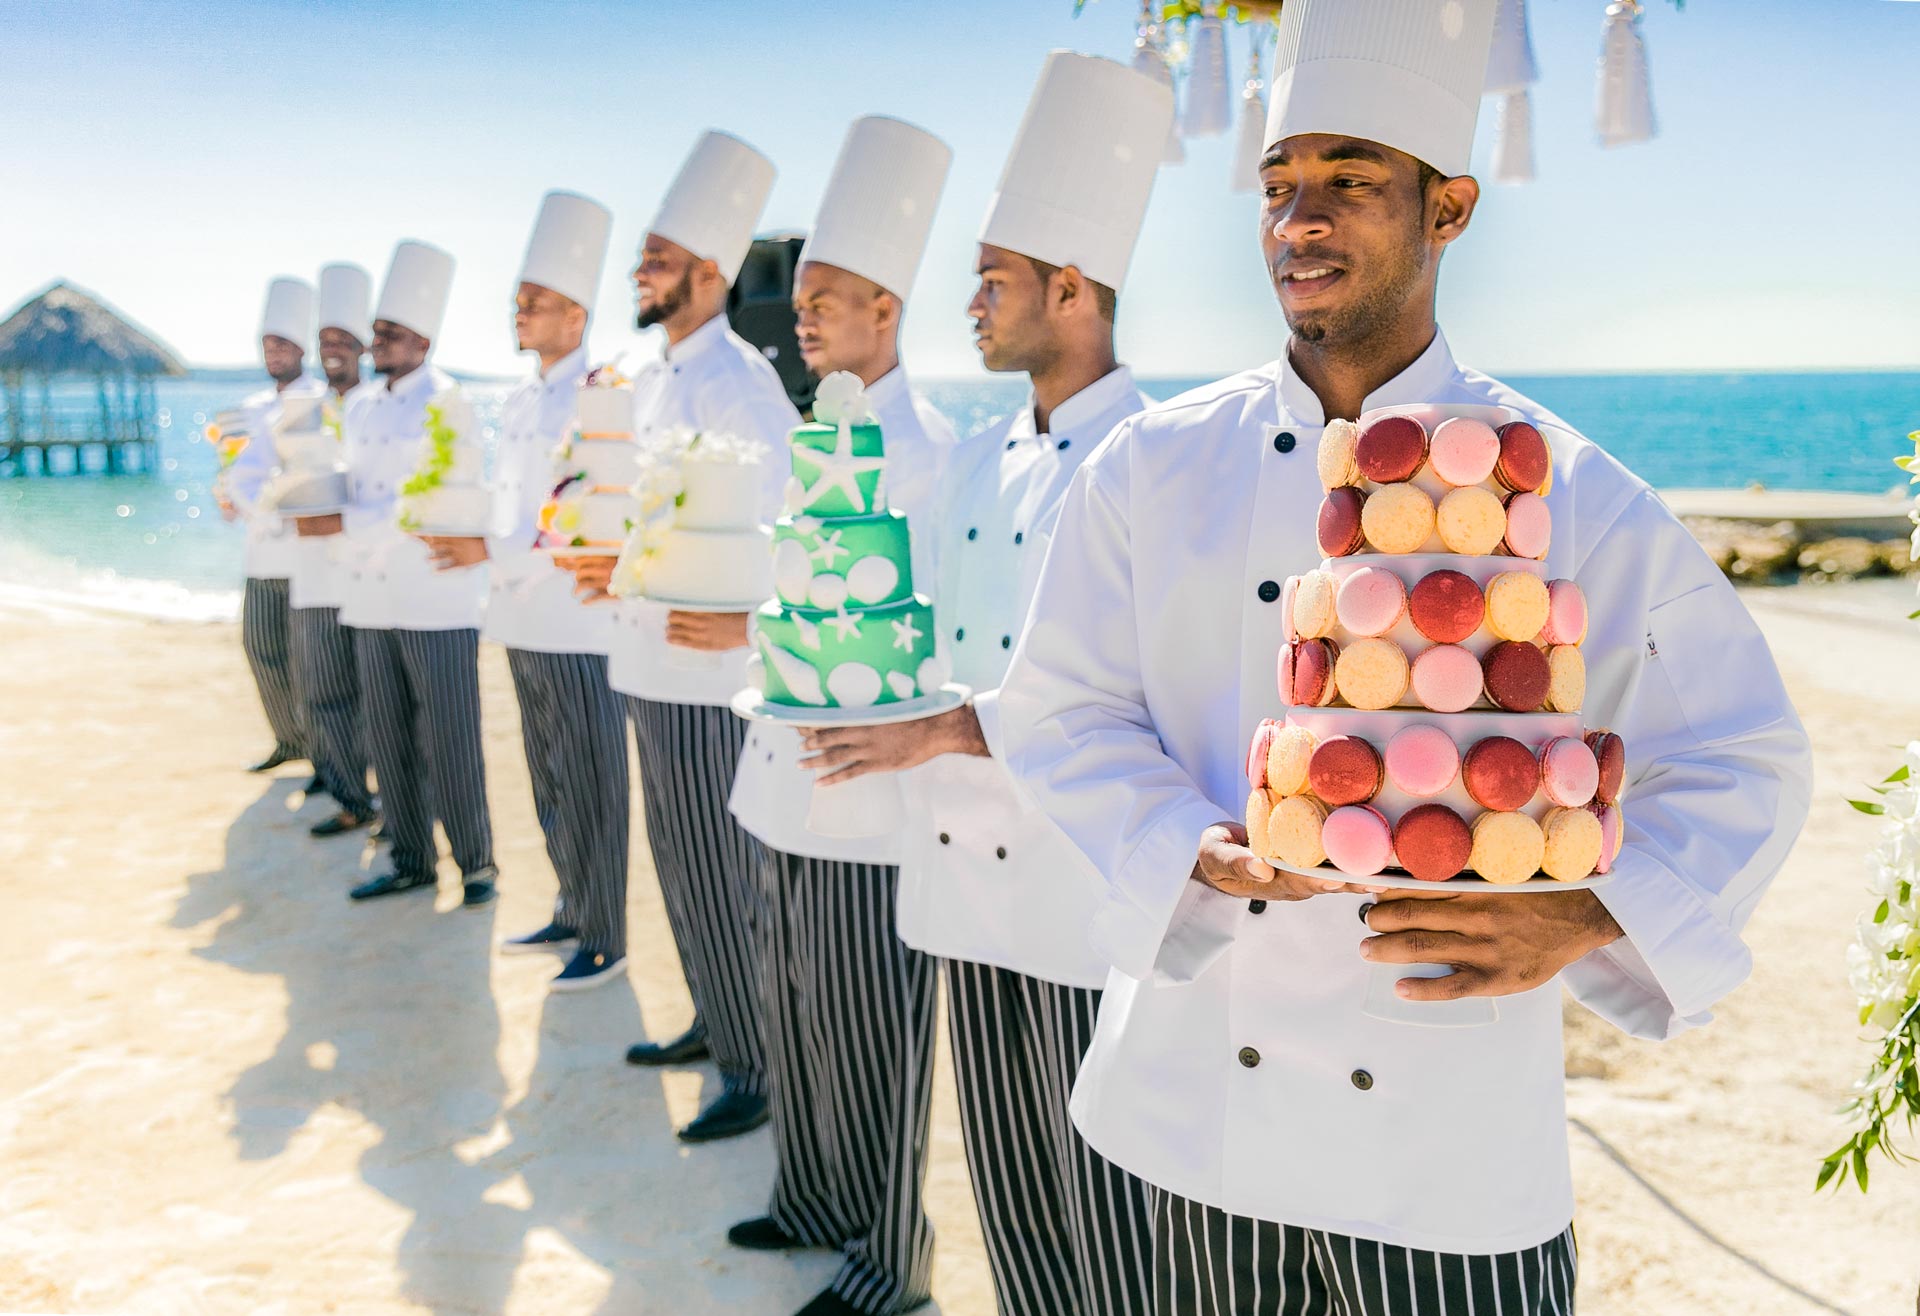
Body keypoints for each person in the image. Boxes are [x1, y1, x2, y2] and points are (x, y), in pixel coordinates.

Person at [998, 3, 1815, 1312]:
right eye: (1280, 188)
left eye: (1352, 183)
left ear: (1451, 210)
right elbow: (1058, 710)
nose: (1299, 222)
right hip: (1187, 1111)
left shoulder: (1569, 495)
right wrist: (1183, 848)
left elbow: (1742, 755)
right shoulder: (1153, 468)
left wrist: (1588, 911)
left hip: (1446, 1139)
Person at [790, 58, 1168, 1316]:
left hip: (1086, 886)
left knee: (1110, 1204)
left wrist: (946, 724)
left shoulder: (1160, 458)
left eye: (993, 280)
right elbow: (926, 638)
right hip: (961, 872)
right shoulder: (973, 463)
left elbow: (1149, 691)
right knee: (1008, 1192)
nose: (973, 302)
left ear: (1072, 290)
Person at [720, 115, 956, 1316]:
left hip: (873, 796)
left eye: (827, 301)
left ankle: (886, 1260)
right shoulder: (809, 430)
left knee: (872, 1041)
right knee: (794, 1009)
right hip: (779, 777)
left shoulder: (933, 451)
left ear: (888, 312)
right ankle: (810, 1199)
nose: (801, 318)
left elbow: (942, 629)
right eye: (799, 302)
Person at [563, 131, 797, 1142]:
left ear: (708, 272)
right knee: (680, 864)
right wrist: (592, 557)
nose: (638, 274)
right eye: (641, 260)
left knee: (722, 875)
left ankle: (754, 1070)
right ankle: (713, 1020)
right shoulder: (651, 379)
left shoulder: (744, 385)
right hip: (645, 660)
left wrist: (752, 618)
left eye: (655, 260)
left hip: (710, 675)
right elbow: (630, 515)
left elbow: (800, 527)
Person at [423, 191, 628, 989]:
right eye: (517, 303)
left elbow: (585, 514)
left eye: (533, 304)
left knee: (591, 784)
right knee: (547, 774)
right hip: (518, 614)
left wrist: (489, 547)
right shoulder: (519, 398)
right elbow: (515, 503)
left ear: (575, 315)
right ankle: (572, 907)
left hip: (577, 620)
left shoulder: (605, 389)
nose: (519, 316)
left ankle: (606, 939)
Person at [332, 240, 498, 908]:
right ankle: (409, 858)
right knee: (388, 733)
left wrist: (350, 531)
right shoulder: (362, 405)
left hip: (435, 596)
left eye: (389, 334)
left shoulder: (449, 401)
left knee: (450, 738)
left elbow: (432, 498)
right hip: (371, 599)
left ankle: (477, 865)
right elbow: (354, 485)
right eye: (375, 333)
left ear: (423, 339)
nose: (377, 345)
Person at [289, 262, 381, 838]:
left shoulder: (382, 404)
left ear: (363, 348)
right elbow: (270, 476)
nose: (333, 352)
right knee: (325, 691)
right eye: (325, 342)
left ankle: (394, 804)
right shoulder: (300, 407)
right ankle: (350, 797)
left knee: (381, 701)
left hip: (373, 577)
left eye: (343, 342)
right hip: (317, 573)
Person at [226, 276, 319, 777]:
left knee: (310, 661)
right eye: (267, 344)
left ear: (301, 348)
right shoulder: (250, 408)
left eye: (282, 343)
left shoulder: (321, 400)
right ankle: (288, 739)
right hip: (260, 553)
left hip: (305, 555)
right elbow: (237, 472)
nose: (274, 353)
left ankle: (326, 754)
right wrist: (230, 496)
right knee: (260, 647)